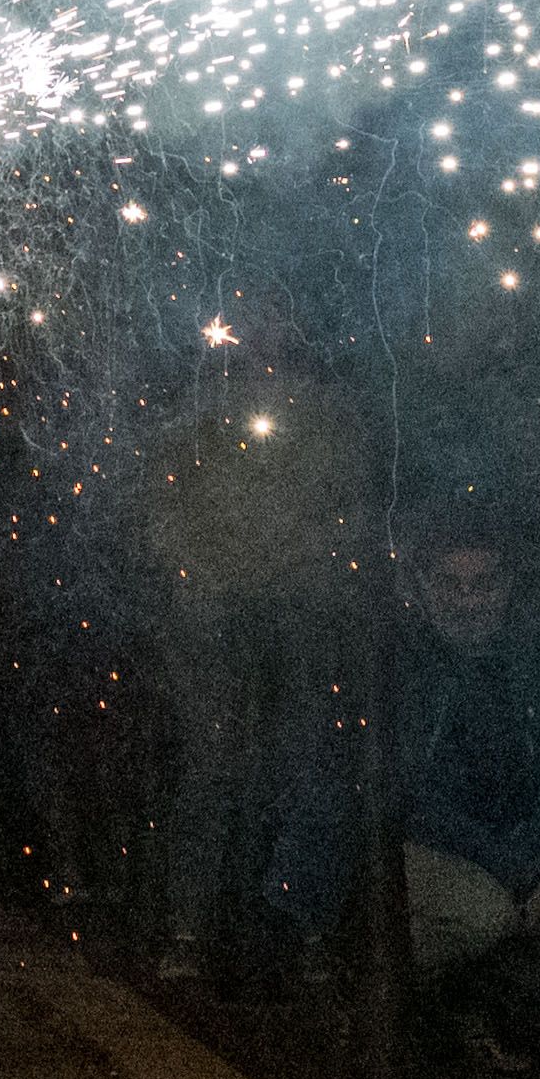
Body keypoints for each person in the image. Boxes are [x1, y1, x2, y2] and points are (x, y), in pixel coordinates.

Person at [135, 367, 373, 986]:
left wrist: (307, 565)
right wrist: (203, 584)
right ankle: (193, 928)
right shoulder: (191, 408)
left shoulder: (323, 411)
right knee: (215, 763)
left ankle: (299, 930)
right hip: (210, 613)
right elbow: (162, 522)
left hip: (297, 608)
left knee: (302, 760)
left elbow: (346, 512)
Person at [386, 523, 540, 1071]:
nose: (467, 601)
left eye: (481, 585)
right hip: (440, 849)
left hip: (519, 847)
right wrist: (519, 872)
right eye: (450, 586)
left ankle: (495, 998)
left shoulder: (533, 661)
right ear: (425, 587)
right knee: (485, 917)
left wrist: (538, 858)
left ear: (506, 587)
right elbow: (419, 799)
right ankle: (436, 1001)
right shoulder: (409, 666)